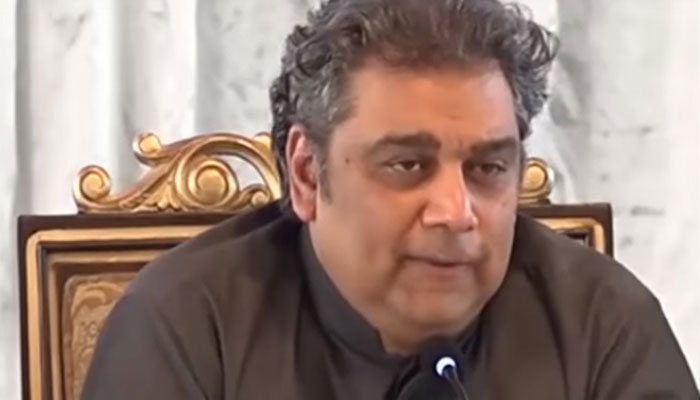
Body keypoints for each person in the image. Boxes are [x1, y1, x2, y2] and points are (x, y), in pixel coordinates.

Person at [82, 0, 700, 398]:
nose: (456, 212)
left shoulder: (601, 324)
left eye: (488, 168)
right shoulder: (187, 328)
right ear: (307, 174)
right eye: (408, 165)